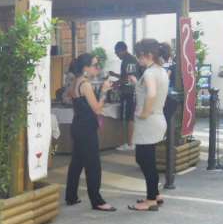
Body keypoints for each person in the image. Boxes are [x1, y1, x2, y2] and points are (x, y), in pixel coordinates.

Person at [64, 53, 116, 212]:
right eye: (94, 65)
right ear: (85, 67)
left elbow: (71, 100)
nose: (97, 68)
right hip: (86, 129)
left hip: (78, 125)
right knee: (93, 165)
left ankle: (71, 196)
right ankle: (97, 201)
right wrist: (104, 91)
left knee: (77, 163)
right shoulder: (85, 84)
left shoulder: (75, 81)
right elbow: (97, 109)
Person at [128, 39, 169, 212]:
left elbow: (151, 94)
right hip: (158, 118)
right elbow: (151, 91)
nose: (138, 59)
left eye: (139, 55)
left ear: (149, 55)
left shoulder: (150, 73)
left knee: (144, 159)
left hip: (149, 121)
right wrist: (136, 83)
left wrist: (144, 113)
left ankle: (151, 199)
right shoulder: (160, 70)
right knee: (148, 159)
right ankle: (155, 195)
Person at [111, 41, 140, 151]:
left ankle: (130, 143)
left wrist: (116, 83)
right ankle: (128, 142)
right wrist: (115, 76)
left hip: (130, 92)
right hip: (127, 92)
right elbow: (126, 76)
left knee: (130, 118)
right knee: (127, 117)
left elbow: (129, 78)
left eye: (117, 52)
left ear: (122, 50)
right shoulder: (126, 60)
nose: (116, 54)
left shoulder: (130, 60)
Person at [160, 42, 178, 129]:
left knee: (164, 115)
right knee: (167, 116)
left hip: (166, 93)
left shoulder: (169, 66)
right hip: (173, 94)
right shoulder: (174, 65)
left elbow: (166, 78)